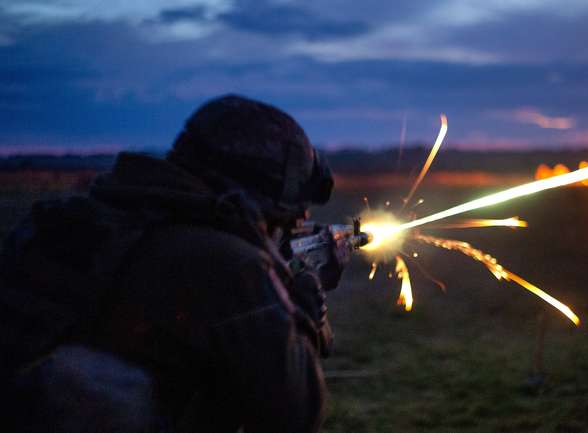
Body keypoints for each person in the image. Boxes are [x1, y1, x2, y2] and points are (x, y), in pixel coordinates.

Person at [0, 95, 347, 432]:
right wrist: (300, 309)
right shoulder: (232, 264)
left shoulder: (98, 219)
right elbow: (294, 414)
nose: (300, 216)